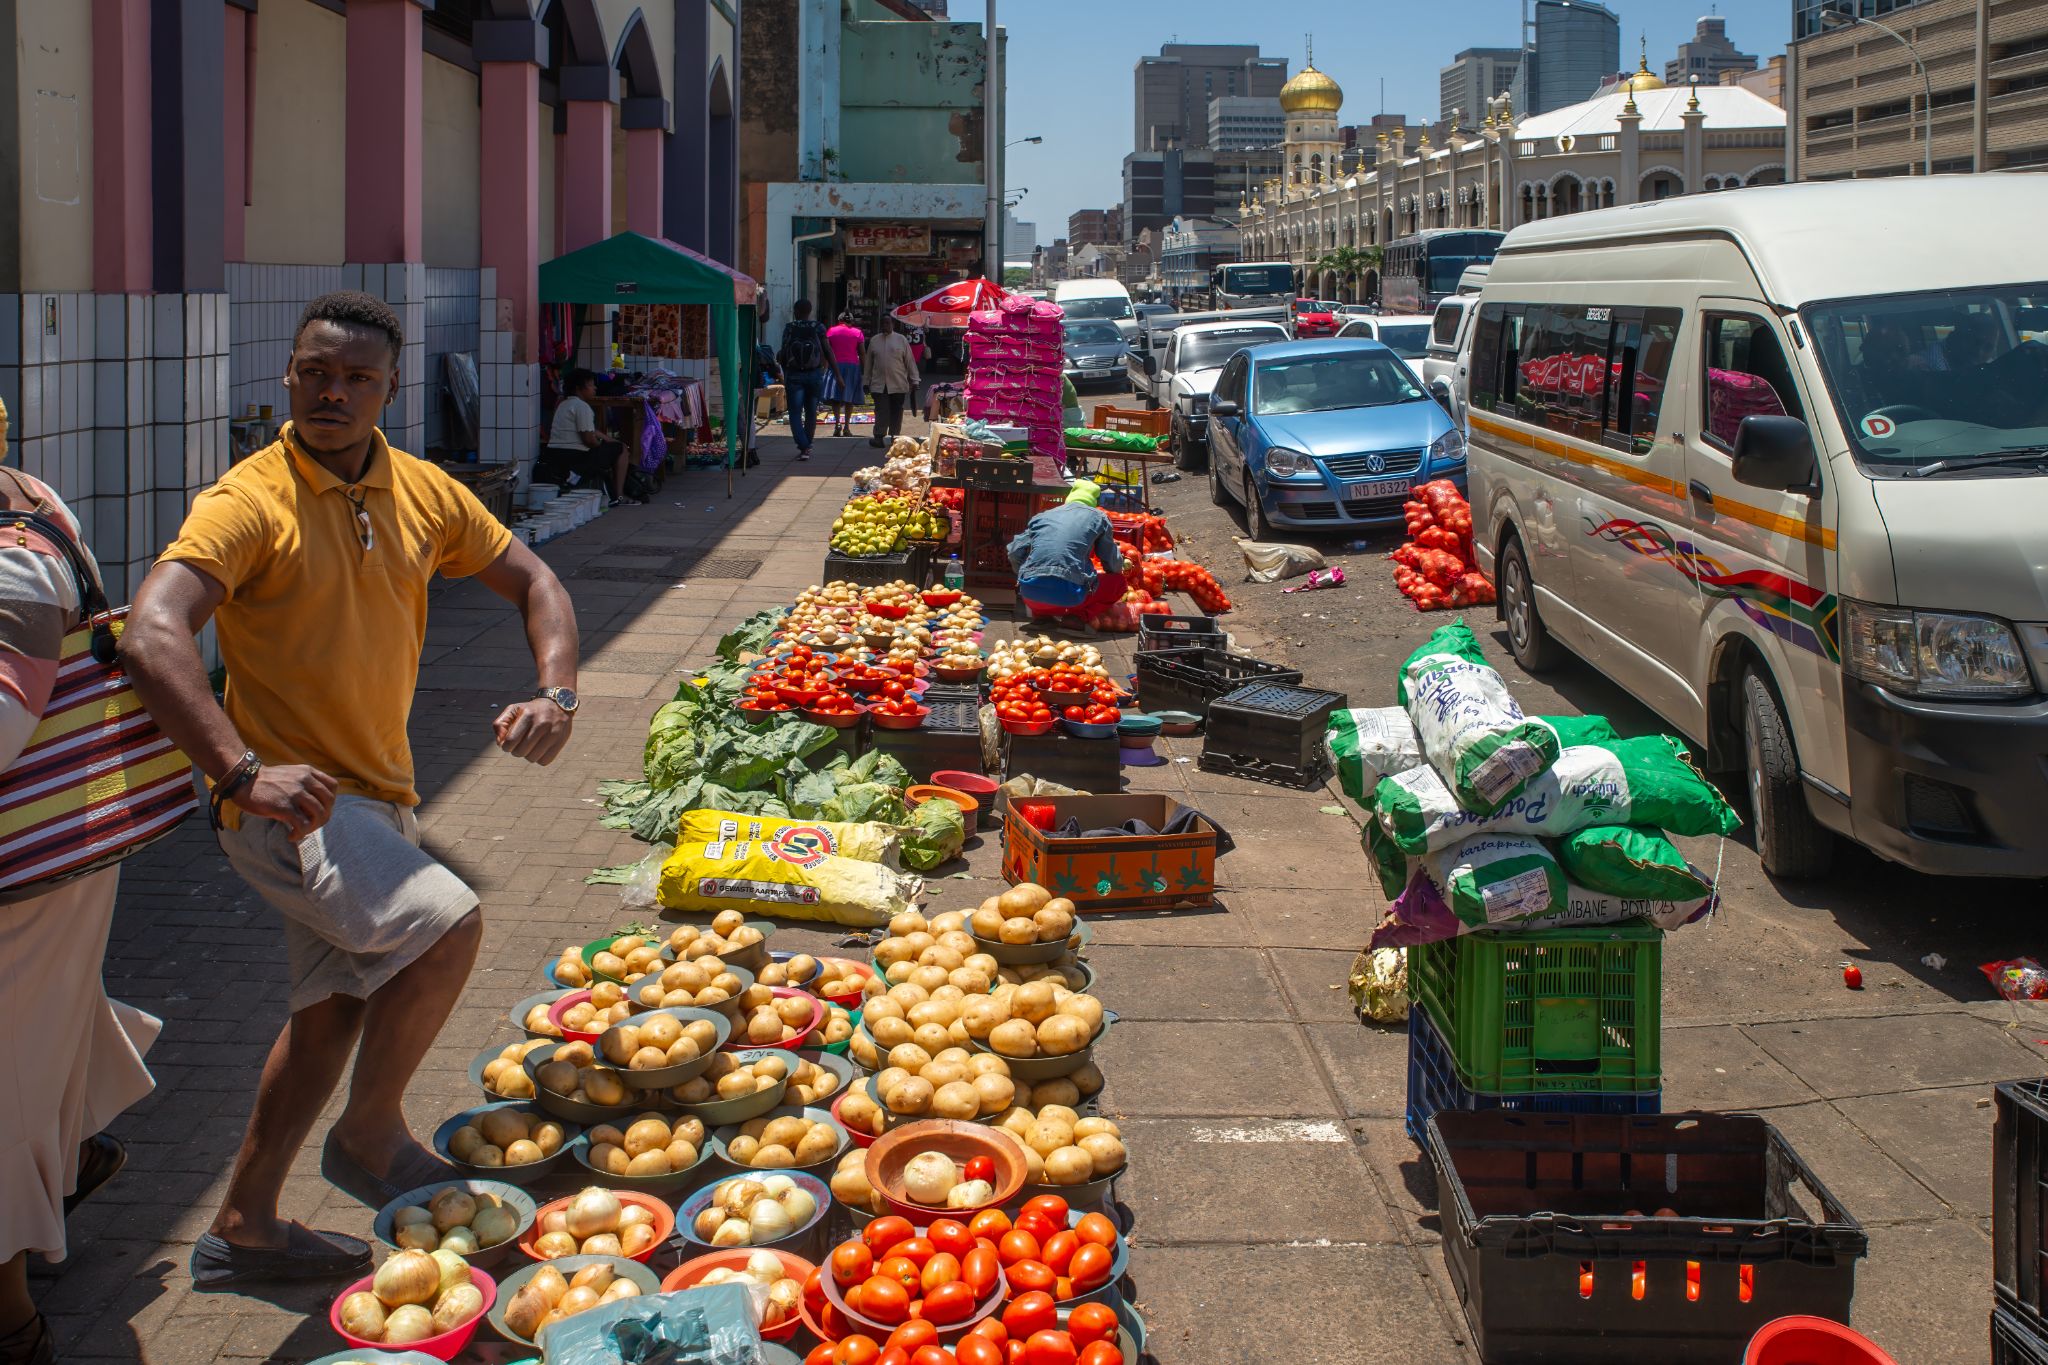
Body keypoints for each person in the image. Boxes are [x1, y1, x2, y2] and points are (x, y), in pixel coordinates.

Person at [123, 291, 582, 1291]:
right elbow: (150, 634)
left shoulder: (421, 491)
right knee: (447, 922)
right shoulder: (247, 501)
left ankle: (244, 1225)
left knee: (330, 1008)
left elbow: (538, 583)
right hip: (296, 809)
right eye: (313, 372)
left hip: (379, 795)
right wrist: (240, 771)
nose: (331, 392)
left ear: (388, 389)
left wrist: (555, 693)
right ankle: (370, 1137)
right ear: (287, 376)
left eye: (355, 378)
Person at [0, 399, 159, 1365]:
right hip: (50, 851)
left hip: (26, 864)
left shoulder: (12, 554)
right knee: (43, 1025)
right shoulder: (35, 495)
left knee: (7, 1073)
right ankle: (76, 1146)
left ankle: (8, 1311)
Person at [1006, 481, 1129, 623]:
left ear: (1069, 498)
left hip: (1029, 595)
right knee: (1119, 583)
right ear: (1094, 502)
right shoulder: (1099, 518)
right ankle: (1077, 618)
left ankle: (1042, 616)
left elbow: (1014, 551)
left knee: (1047, 585)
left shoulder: (1042, 516)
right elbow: (1112, 564)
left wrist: (1024, 573)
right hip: (1069, 598)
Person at [538, 369, 636, 505]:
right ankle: (619, 495)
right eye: (591, 385)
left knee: (615, 446)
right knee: (621, 449)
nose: (595, 388)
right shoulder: (582, 407)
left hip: (554, 455)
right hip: (575, 458)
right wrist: (603, 446)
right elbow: (589, 440)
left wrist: (608, 440)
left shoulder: (564, 404)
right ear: (579, 389)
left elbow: (589, 430)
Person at [777, 300, 831, 461]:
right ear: (810, 310)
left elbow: (784, 353)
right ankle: (807, 445)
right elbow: (827, 351)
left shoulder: (790, 328)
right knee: (811, 412)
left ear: (795, 311)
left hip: (794, 376)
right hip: (814, 374)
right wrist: (836, 374)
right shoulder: (818, 327)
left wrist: (785, 374)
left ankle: (803, 445)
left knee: (794, 412)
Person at [863, 316, 921, 449]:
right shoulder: (874, 341)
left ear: (893, 324)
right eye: (882, 323)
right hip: (879, 384)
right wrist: (866, 382)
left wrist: (915, 380)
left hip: (898, 383)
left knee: (896, 411)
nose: (885, 325)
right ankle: (879, 436)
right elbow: (868, 365)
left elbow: (910, 361)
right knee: (881, 410)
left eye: (887, 323)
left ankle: (895, 437)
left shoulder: (901, 340)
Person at [824, 312, 867, 438]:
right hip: (852, 367)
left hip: (835, 366)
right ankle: (847, 427)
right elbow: (862, 353)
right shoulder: (857, 333)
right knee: (850, 397)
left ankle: (837, 423)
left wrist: (825, 368)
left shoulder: (831, 331)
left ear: (839, 320)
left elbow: (827, 351)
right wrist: (866, 370)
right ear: (851, 321)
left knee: (835, 397)